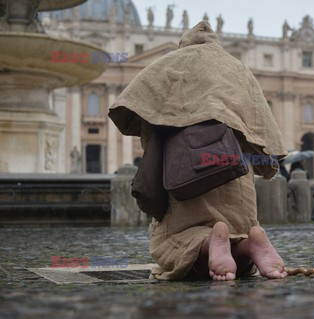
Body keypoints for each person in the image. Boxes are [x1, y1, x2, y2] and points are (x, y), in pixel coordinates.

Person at [108, 21, 288, 281]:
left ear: (184, 45)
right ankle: (252, 243)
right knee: (242, 230)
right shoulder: (240, 71)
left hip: (187, 173)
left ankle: (209, 242)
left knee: (177, 241)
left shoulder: (169, 65)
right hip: (234, 170)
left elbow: (140, 112)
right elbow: (264, 135)